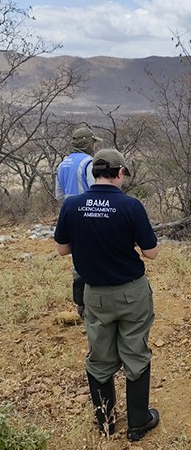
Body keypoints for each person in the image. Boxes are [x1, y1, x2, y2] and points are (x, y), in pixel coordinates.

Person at [54, 148, 160, 441]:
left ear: (94, 172)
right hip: (131, 292)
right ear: (121, 172)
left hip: (95, 294)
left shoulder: (72, 205)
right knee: (135, 353)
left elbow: (62, 249)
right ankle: (138, 423)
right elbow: (150, 253)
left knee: (99, 356)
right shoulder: (131, 206)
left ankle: (107, 422)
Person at [56, 125, 102, 316]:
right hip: (89, 215)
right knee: (97, 257)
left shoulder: (62, 164)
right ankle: (96, 303)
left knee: (78, 260)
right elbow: (97, 189)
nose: (94, 145)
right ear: (87, 143)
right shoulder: (89, 163)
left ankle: (81, 305)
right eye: (93, 142)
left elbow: (59, 195)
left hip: (69, 216)